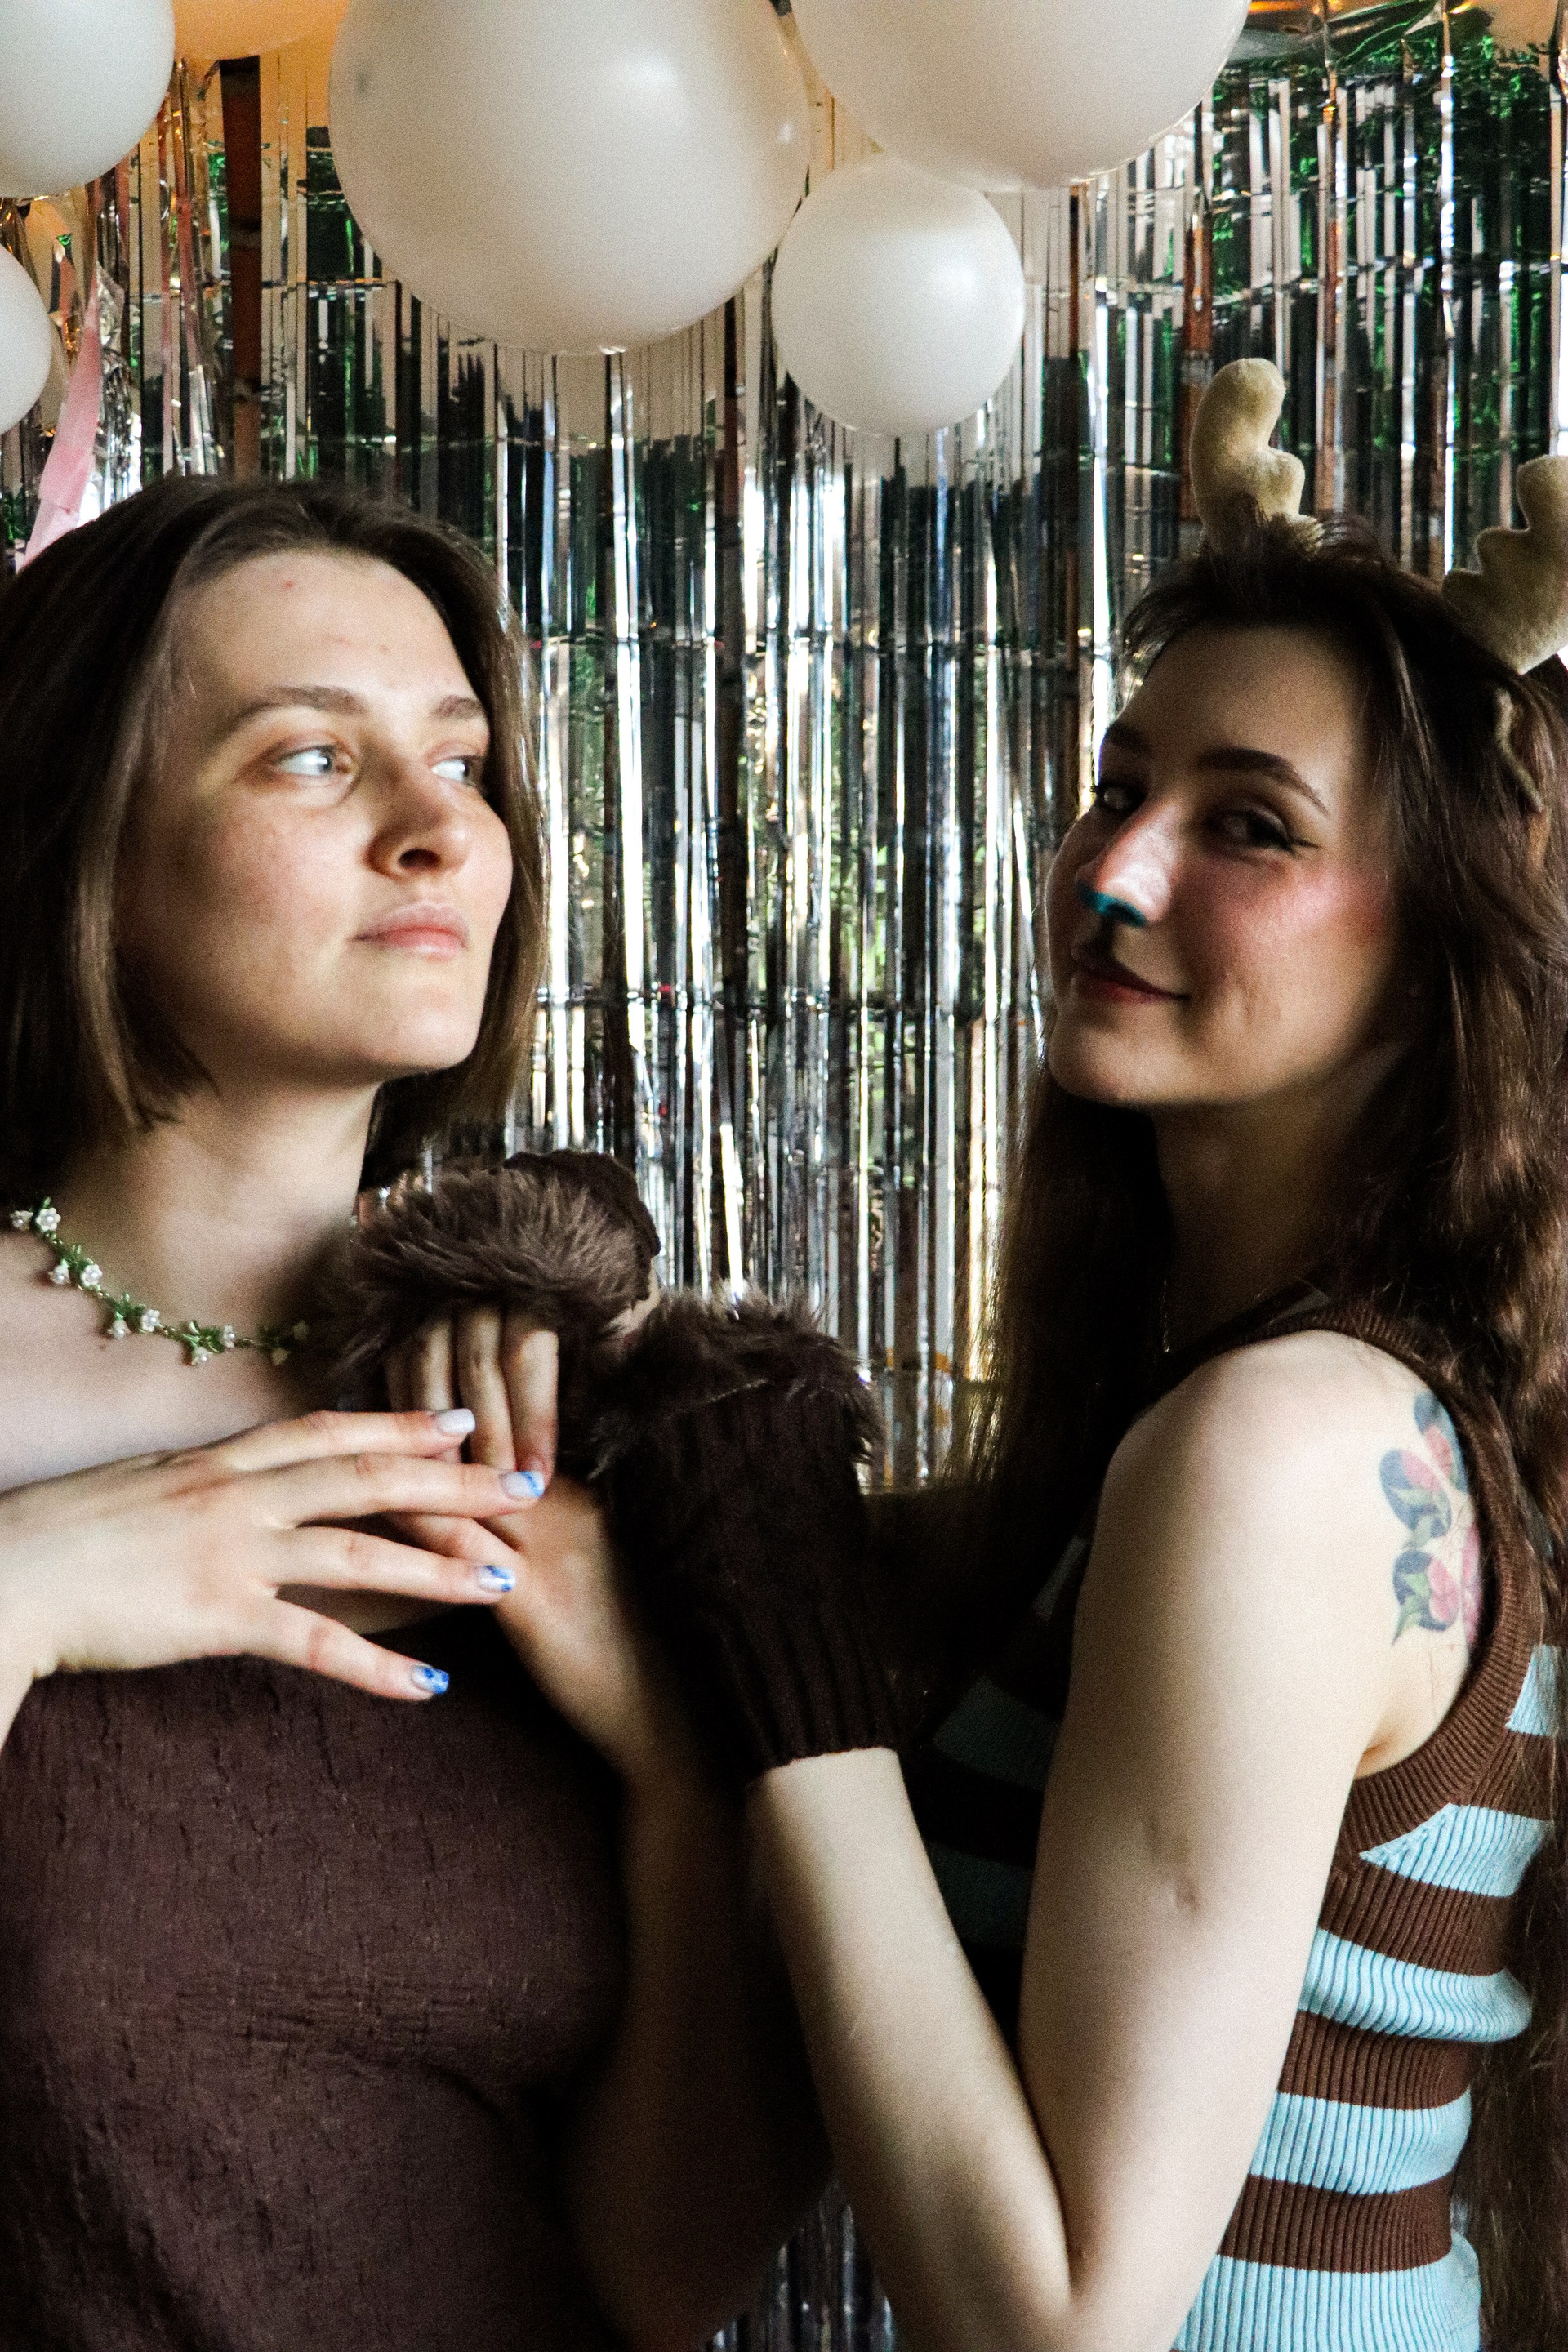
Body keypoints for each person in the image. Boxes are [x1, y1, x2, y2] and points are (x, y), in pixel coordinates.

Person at [595, 363, 1568, 2352]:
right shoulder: (1310, 1411)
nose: (1115, 875)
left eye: (1250, 828)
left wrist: (801, 1697)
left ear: (1439, 951)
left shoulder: (1278, 1455)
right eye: (1123, 790)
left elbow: (1062, 2323)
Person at [0, 475, 818, 2352]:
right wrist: (29, 1587)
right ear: (82, 836)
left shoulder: (585, 1426)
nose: (437, 828)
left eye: (462, 763)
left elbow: (671, 2278)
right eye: (312, 758)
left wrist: (681, 1783)